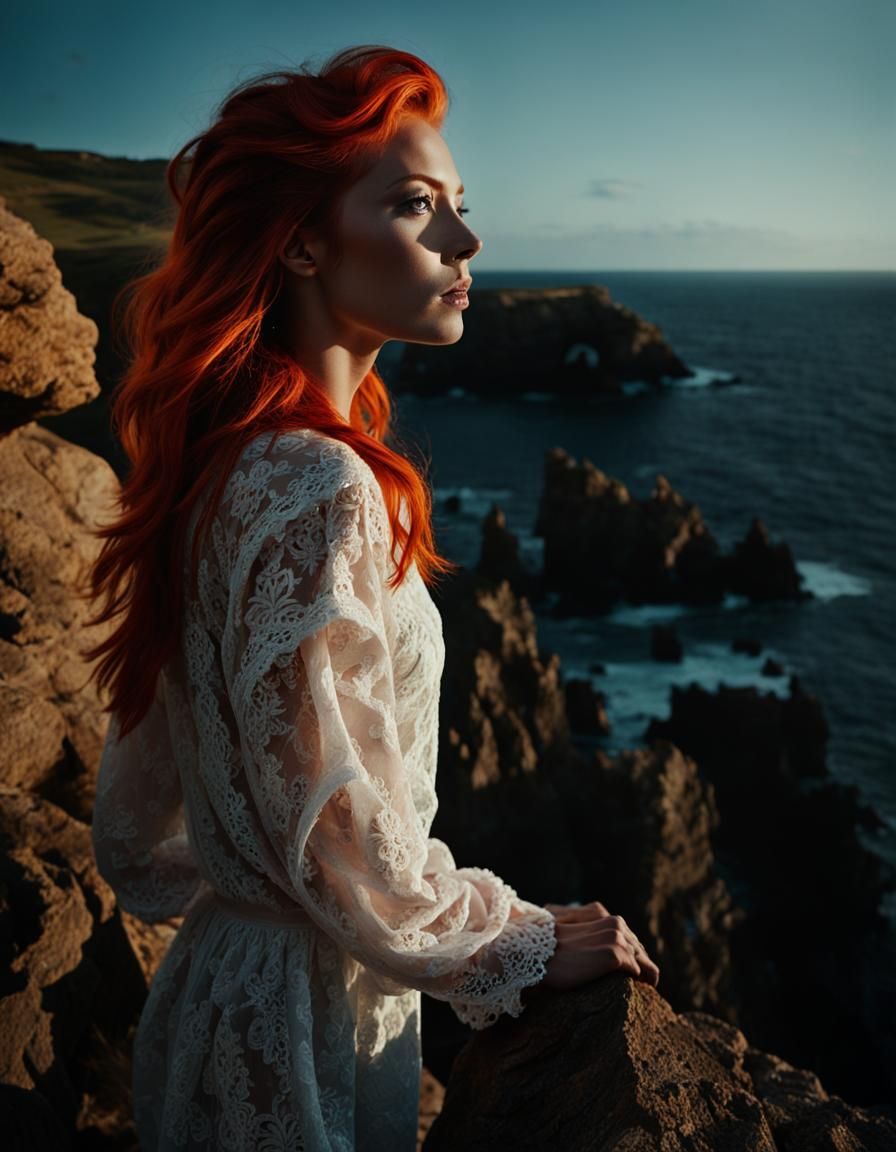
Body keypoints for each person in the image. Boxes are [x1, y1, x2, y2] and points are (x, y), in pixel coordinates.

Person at [85, 44, 660, 1152]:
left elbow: (133, 837)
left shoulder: (217, 468)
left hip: (217, 993)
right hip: (308, 1030)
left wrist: (254, 881)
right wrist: (517, 937)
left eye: (459, 204)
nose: (465, 241)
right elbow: (341, 840)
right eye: (414, 205)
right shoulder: (319, 485)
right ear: (302, 241)